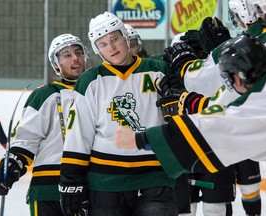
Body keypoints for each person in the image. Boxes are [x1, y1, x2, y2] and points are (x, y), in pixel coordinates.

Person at [58, 11, 183, 216]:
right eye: (103, 44)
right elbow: (78, 136)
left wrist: (180, 99)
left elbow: (182, 120)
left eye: (114, 39)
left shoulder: (159, 71)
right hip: (105, 183)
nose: (112, 47)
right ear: (97, 50)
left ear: (125, 36)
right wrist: (71, 182)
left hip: (155, 178)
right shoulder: (90, 81)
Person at [115, 32, 266, 191]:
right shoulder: (260, 89)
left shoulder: (259, 104)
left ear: (239, 75)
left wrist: (142, 139)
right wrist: (191, 102)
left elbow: (216, 127)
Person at [0, 33, 89, 216]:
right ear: (56, 65)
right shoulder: (45, 95)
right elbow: (26, 138)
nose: (75, 58)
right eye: (67, 55)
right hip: (47, 190)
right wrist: (13, 163)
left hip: (86, 186)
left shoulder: (97, 90)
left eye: (78, 52)